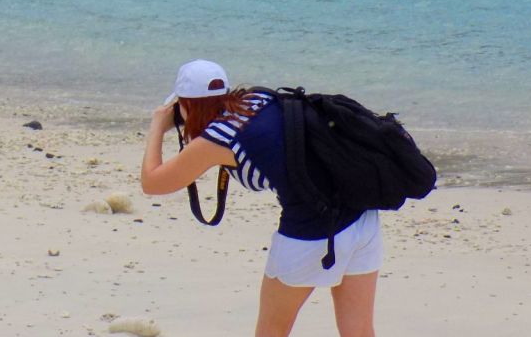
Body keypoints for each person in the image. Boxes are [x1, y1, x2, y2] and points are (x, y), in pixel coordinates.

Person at [140, 59, 381, 337]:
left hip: (312, 231)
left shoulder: (218, 138)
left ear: (185, 105)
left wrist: (158, 125)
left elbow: (152, 182)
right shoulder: (259, 98)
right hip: (361, 215)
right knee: (360, 331)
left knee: (271, 332)